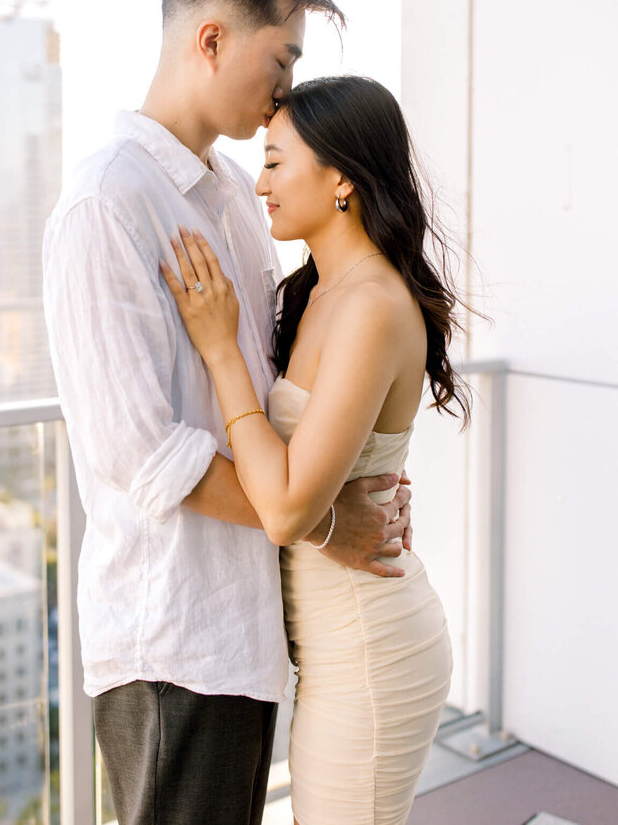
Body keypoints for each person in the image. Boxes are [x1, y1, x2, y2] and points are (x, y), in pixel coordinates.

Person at [42, 0, 413, 825]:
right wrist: (327, 523)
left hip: (250, 631)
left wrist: (343, 484)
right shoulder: (108, 203)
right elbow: (146, 454)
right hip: (171, 639)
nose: (286, 87)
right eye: (280, 57)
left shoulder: (236, 202)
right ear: (210, 40)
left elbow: (276, 391)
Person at [162, 74, 460, 825]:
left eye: (274, 161)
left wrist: (221, 350)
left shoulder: (370, 303)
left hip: (370, 646)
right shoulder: (317, 292)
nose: (259, 183)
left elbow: (290, 505)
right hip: (331, 646)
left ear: (341, 180)